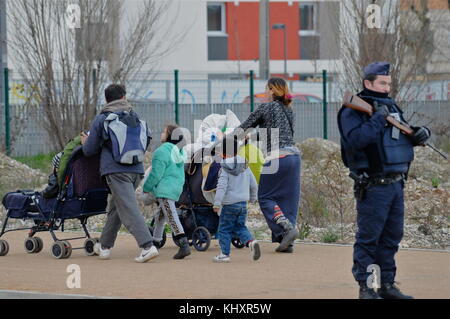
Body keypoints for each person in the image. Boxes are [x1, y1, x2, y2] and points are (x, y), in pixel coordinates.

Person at [337, 62, 431, 299]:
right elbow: (357, 140)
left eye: (389, 83)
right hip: (373, 186)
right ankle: (367, 288)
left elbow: (401, 135)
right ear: (367, 83)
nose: (387, 88)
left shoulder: (391, 107)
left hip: (396, 184)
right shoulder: (353, 110)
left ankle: (387, 286)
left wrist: (421, 133)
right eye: (382, 83)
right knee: (369, 239)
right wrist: (378, 119)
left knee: (391, 238)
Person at [81, 84, 158, 263]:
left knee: (128, 208)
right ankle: (105, 247)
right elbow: (145, 140)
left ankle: (147, 246)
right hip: (136, 170)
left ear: (107, 99)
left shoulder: (102, 118)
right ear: (123, 97)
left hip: (116, 171)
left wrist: (85, 142)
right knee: (116, 208)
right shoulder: (134, 116)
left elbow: (89, 150)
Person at [235, 77, 301, 253]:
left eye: (266, 89)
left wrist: (226, 139)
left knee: (265, 197)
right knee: (288, 200)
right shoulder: (289, 110)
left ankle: (286, 228)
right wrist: (254, 137)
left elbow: (243, 128)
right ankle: (287, 241)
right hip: (294, 157)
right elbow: (274, 133)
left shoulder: (266, 107)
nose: (265, 92)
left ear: (272, 90)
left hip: (277, 157)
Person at [143, 124, 191, 260]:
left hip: (165, 189)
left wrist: (147, 188)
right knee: (161, 215)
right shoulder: (180, 151)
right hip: (176, 188)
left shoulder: (161, 151)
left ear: (170, 135)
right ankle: (156, 241)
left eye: (164, 132)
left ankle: (183, 244)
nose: (162, 134)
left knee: (171, 215)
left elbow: (155, 174)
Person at [212, 136, 260, 263]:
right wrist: (253, 198)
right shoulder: (245, 166)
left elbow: (221, 187)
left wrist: (216, 203)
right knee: (240, 227)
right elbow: (254, 184)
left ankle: (224, 254)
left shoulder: (224, 169)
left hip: (229, 205)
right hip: (243, 204)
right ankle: (251, 242)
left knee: (224, 229)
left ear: (222, 153)